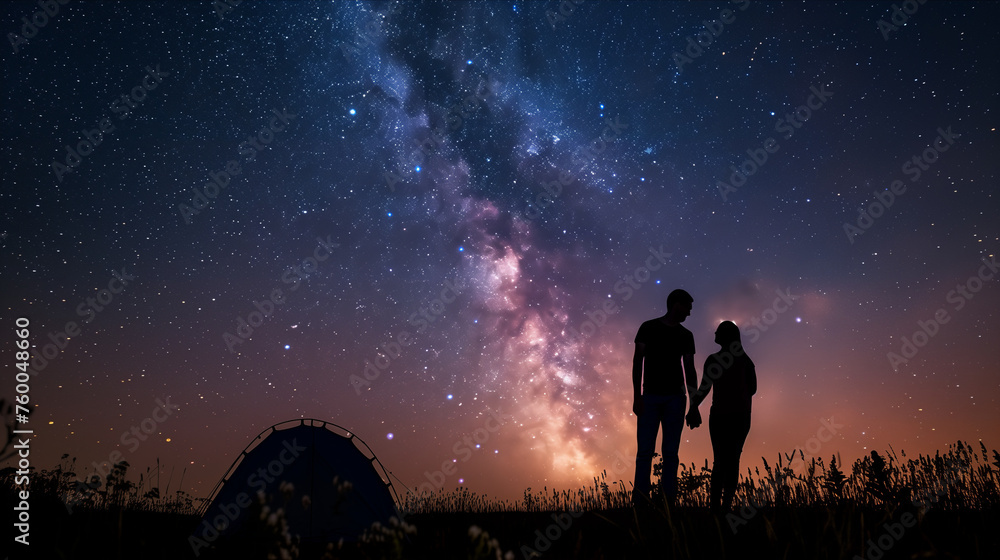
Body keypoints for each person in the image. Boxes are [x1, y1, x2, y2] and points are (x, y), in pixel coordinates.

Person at [632, 289, 698, 506]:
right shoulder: (648, 328)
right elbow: (637, 362)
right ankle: (641, 500)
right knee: (645, 452)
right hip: (650, 396)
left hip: (675, 399)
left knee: (670, 452)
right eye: (687, 307)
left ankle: (668, 500)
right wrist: (637, 396)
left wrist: (694, 404)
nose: (689, 312)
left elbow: (690, 369)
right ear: (676, 304)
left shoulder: (686, 335)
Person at [686, 320, 757, 513]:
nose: (714, 334)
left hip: (719, 417)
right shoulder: (746, 361)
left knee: (719, 460)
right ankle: (725, 506)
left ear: (725, 336)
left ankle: (715, 506)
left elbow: (704, 389)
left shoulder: (714, 359)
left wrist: (693, 408)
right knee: (733, 460)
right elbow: (753, 389)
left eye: (718, 332)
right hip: (741, 417)